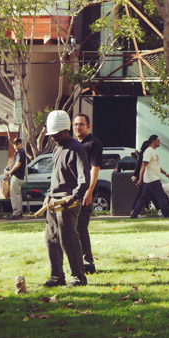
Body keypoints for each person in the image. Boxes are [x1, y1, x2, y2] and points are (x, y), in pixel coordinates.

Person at [42, 110, 90, 287]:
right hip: (53, 202)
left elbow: (84, 178)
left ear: (64, 130)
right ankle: (56, 277)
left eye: (55, 134)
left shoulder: (76, 149)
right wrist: (48, 194)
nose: (52, 137)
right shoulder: (56, 149)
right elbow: (56, 176)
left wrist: (74, 196)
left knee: (68, 239)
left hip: (68, 203)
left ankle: (78, 277)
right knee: (51, 239)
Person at [72, 114, 102, 274]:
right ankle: (77, 263)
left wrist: (89, 191)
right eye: (76, 124)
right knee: (73, 229)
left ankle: (88, 264)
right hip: (72, 193)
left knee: (81, 228)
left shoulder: (93, 143)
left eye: (81, 124)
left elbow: (94, 168)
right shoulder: (73, 144)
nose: (78, 127)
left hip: (86, 193)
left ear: (88, 126)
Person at [130, 135, 169, 219]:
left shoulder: (153, 152)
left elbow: (156, 166)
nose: (159, 142)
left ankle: (134, 215)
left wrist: (166, 173)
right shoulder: (148, 151)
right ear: (153, 141)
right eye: (158, 140)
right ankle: (167, 215)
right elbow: (143, 166)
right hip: (152, 179)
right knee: (162, 197)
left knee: (142, 198)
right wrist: (140, 179)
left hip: (150, 180)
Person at [4, 138, 28, 219]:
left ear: (20, 144)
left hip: (16, 176)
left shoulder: (20, 153)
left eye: (16, 144)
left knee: (15, 195)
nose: (15, 145)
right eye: (14, 144)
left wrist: (10, 171)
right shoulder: (18, 153)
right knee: (17, 195)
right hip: (18, 176)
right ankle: (19, 212)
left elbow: (18, 164)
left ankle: (16, 213)